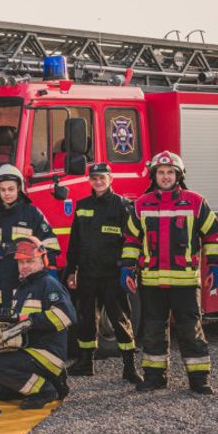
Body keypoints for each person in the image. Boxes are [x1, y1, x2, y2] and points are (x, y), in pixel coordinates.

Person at [122, 151, 218, 394]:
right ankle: (155, 377)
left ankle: (199, 380)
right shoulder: (141, 204)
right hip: (152, 282)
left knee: (190, 330)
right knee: (154, 331)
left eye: (170, 172)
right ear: (153, 175)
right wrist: (127, 268)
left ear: (178, 175)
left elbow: (212, 235)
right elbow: (131, 241)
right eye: (161, 172)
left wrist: (215, 266)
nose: (165, 176)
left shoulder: (195, 202)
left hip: (185, 282)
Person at [65, 163, 139, 383]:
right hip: (87, 274)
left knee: (120, 320)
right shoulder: (82, 206)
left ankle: (129, 367)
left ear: (111, 179)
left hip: (112, 275)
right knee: (86, 319)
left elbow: (133, 241)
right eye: (94, 178)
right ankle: (85, 363)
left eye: (102, 177)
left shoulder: (123, 206)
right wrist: (71, 271)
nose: (98, 181)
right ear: (89, 181)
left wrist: (129, 269)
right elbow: (74, 242)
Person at [0, 237, 76, 410]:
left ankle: (46, 390)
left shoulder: (49, 284)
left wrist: (30, 321)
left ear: (43, 261)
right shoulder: (22, 289)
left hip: (47, 353)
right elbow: (16, 322)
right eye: (21, 262)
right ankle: (54, 382)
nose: (24, 266)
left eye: (30, 261)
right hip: (29, 350)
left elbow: (66, 316)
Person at [0, 164, 58, 321]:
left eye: (11, 189)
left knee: (22, 329)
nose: (7, 193)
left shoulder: (32, 214)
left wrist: (51, 270)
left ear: (19, 188)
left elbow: (49, 244)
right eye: (3, 190)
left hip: (24, 284)